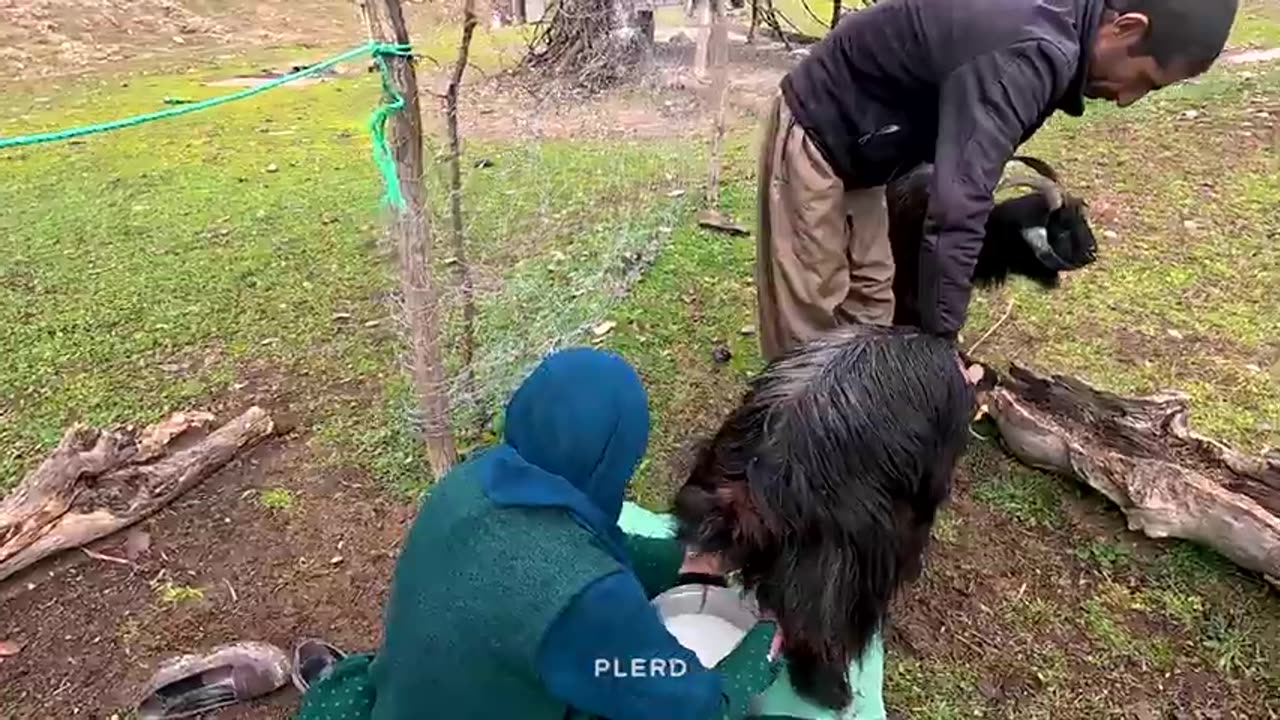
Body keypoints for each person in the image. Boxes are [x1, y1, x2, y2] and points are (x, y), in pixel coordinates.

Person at [293, 347, 783, 720]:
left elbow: (559, 561)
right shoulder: (584, 598)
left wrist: (683, 560)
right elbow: (688, 701)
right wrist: (763, 641)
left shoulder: (465, 484)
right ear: (611, 461)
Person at [755, 0, 1239, 361]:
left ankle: (855, 418)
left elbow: (968, 161)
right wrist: (939, 350)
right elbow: (956, 208)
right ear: (1127, 27)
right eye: (1144, 80)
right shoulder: (1033, 48)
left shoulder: (1059, 29)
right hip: (821, 130)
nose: (1128, 98)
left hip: (873, 151)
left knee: (871, 300)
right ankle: (788, 455)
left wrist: (1015, 232)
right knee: (809, 321)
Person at [668, 325, 976, 716]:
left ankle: (815, 664)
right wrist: (697, 569)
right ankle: (815, 664)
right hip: (783, 449)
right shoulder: (745, 479)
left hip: (815, 479)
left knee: (825, 585)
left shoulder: (844, 523)